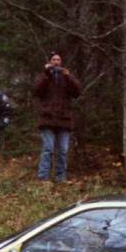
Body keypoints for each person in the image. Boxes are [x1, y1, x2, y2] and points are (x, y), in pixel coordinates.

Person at [33, 51, 82, 183]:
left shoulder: (66, 77)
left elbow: (77, 91)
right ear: (49, 62)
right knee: (48, 148)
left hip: (64, 119)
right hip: (47, 119)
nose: (56, 62)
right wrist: (46, 74)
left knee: (63, 150)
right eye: (54, 60)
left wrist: (68, 77)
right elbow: (37, 91)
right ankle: (43, 177)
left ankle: (60, 177)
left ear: (61, 62)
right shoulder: (43, 76)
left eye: (58, 60)